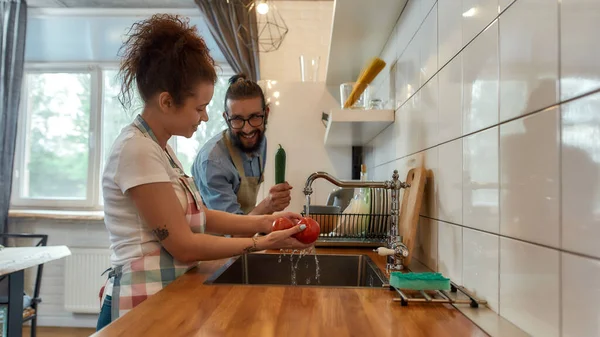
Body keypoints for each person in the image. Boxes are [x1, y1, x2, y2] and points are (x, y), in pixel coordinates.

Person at [96, 14, 311, 331]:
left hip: (164, 295)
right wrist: (261, 241)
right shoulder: (136, 150)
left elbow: (202, 217)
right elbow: (183, 244)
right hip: (141, 300)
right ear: (167, 102)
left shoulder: (160, 148)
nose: (205, 116)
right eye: (200, 108)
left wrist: (265, 222)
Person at [191, 75, 292, 215]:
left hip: (245, 234)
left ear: (266, 114)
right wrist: (268, 206)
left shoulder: (261, 142)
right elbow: (230, 232)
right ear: (226, 119)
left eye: (255, 117)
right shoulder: (213, 161)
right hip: (213, 236)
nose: (247, 129)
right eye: (237, 119)